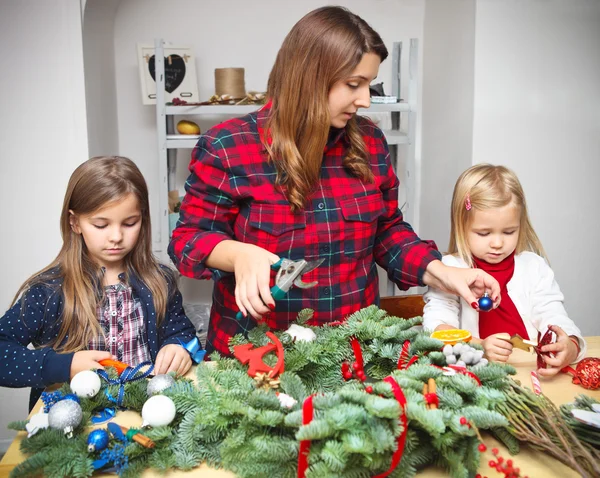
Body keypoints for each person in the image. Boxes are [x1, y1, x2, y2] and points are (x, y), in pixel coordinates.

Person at [169, 6, 500, 356]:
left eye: (369, 83)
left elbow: (387, 231)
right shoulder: (228, 146)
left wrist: (442, 273)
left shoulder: (370, 141)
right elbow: (187, 240)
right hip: (258, 358)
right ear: (308, 76)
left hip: (354, 354)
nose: (365, 100)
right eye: (353, 84)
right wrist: (237, 255)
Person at [0, 156, 198, 409]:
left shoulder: (159, 280)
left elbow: (180, 331)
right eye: (101, 225)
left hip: (146, 416)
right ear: (75, 222)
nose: (116, 237)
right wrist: (65, 365)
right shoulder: (50, 290)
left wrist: (179, 347)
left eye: (130, 223)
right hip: (74, 424)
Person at [423, 164, 586, 376]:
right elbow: (436, 328)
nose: (498, 243)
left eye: (509, 231)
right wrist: (477, 346)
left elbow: (554, 315)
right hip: (475, 378)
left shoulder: (534, 267)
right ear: (461, 226)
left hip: (528, 374)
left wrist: (571, 346)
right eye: (484, 233)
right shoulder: (450, 270)